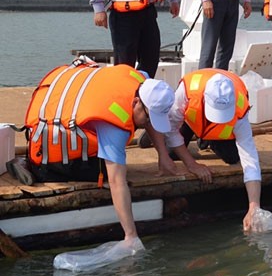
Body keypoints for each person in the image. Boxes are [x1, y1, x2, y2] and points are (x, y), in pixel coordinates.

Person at [18, 60, 175, 248]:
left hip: (60, 108)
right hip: (48, 157)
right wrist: (131, 235)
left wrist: (163, 155)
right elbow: (117, 183)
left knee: (117, 164)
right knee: (112, 173)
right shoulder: (113, 124)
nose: (148, 123)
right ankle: (31, 167)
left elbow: (148, 115)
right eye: (148, 117)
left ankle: (27, 161)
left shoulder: (140, 79)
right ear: (135, 102)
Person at [156, 69, 264, 230]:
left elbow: (250, 158)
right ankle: (153, 127)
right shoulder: (187, 91)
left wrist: (254, 206)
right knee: (172, 151)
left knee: (232, 157)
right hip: (189, 119)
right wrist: (192, 165)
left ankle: (206, 139)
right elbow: (172, 128)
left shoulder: (240, 107)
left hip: (213, 131)